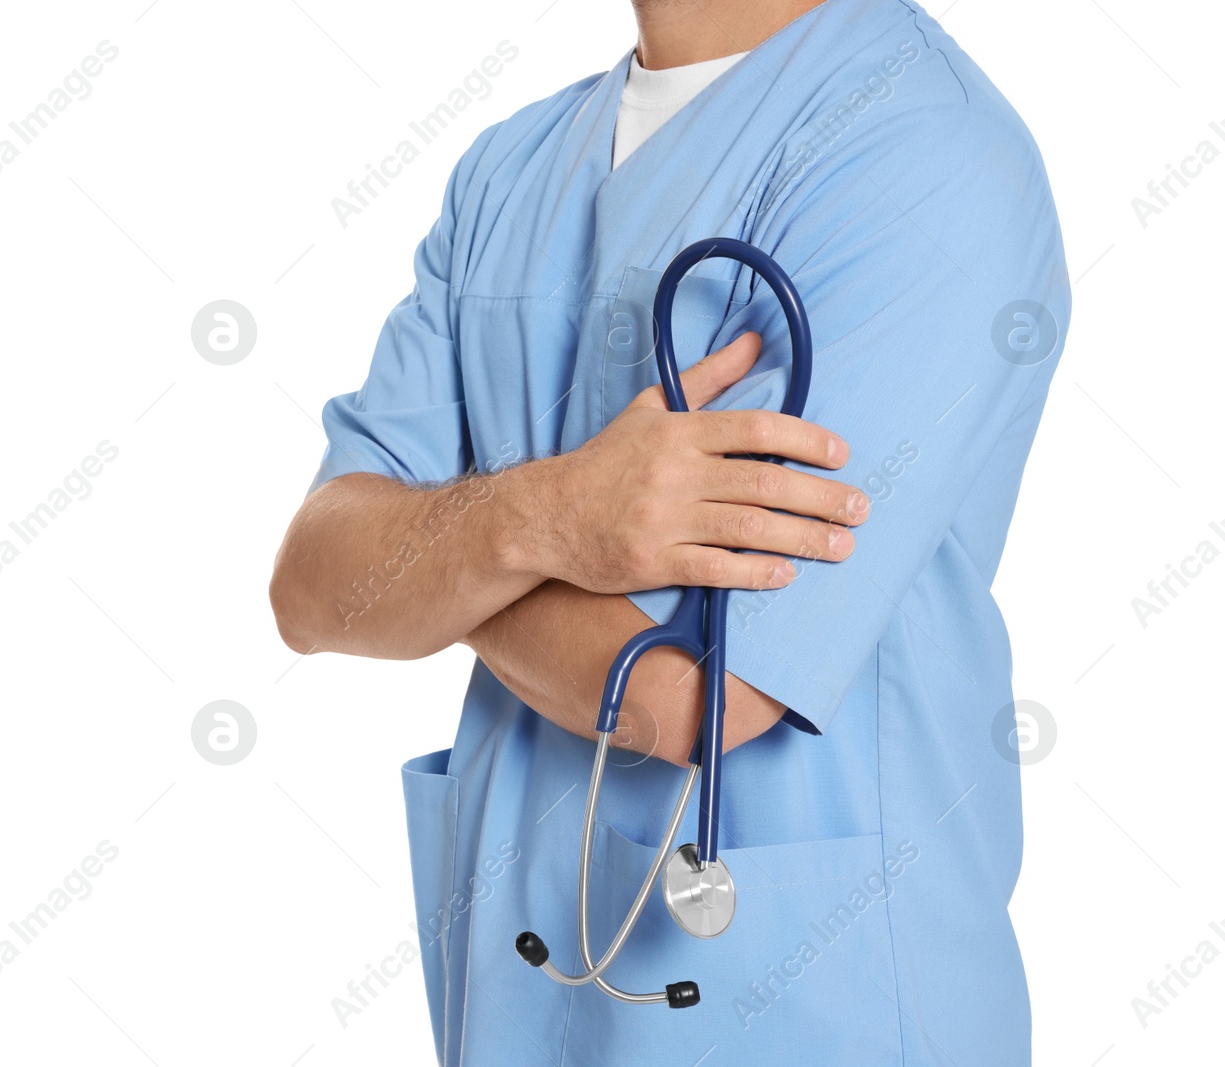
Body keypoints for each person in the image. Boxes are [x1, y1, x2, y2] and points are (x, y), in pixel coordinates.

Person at [269, 0, 1069, 1062]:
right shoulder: (510, 168)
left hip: (814, 1010)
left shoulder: (926, 153)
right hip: (517, 1006)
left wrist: (441, 560)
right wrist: (544, 514)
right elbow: (312, 587)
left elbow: (680, 692)